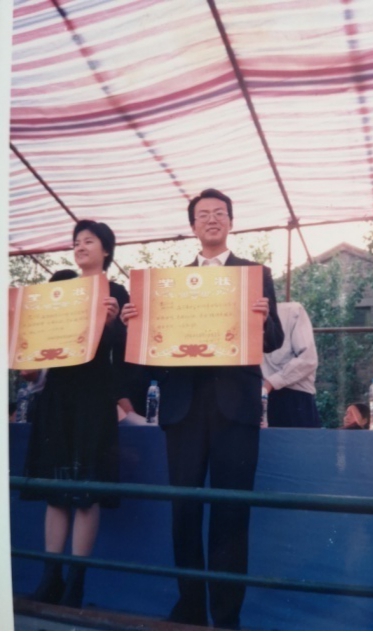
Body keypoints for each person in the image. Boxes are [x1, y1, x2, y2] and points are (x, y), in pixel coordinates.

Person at [121, 189, 284, 629]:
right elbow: (150, 355)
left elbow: (274, 341)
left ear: (231, 221)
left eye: (219, 213)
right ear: (193, 226)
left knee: (232, 511)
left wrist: (264, 317)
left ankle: (227, 616)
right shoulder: (169, 285)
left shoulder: (255, 274)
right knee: (185, 509)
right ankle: (190, 609)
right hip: (183, 408)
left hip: (237, 409)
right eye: (203, 214)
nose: (212, 219)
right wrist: (136, 324)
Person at [24, 221, 129, 608]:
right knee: (56, 492)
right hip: (57, 394)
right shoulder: (59, 286)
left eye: (89, 241)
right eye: (76, 242)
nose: (80, 246)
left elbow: (124, 348)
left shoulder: (117, 292)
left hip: (95, 396)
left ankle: (76, 583)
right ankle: (50, 577)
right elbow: (36, 336)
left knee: (87, 492)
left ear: (106, 250)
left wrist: (112, 322)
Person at [262, 301, 321, 427]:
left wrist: (270, 383)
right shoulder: (235, 318)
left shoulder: (291, 311)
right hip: (254, 400)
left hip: (293, 399)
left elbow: (308, 359)